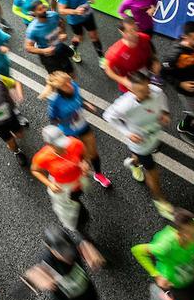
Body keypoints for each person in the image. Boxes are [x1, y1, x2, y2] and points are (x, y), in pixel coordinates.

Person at [103, 71, 172, 217]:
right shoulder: (125, 104)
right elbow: (108, 115)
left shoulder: (156, 92)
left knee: (140, 158)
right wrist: (127, 133)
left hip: (154, 134)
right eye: (141, 91)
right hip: (140, 142)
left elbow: (163, 101)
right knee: (152, 171)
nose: (147, 93)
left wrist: (165, 113)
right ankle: (159, 200)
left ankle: (133, 163)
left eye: (147, 88)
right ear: (131, 90)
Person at [43, 71, 110, 187]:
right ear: (59, 88)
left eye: (69, 81)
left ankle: (98, 174)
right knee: (77, 156)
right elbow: (53, 119)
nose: (70, 85)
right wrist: (57, 134)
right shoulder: (54, 101)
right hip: (68, 132)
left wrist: (85, 104)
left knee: (93, 152)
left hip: (83, 125)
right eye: (65, 84)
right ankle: (78, 173)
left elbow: (79, 99)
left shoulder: (74, 86)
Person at [32, 126, 98, 235]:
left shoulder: (74, 143)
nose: (64, 147)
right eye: (59, 145)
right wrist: (50, 184)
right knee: (71, 205)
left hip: (79, 181)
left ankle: (80, 210)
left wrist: (85, 163)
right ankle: (77, 224)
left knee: (77, 197)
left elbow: (85, 156)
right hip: (63, 187)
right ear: (49, 144)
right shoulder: (43, 157)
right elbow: (35, 170)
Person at [56, 0, 104, 67]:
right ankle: (73, 48)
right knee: (79, 38)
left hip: (87, 14)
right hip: (75, 19)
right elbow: (61, 10)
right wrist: (75, 11)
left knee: (94, 36)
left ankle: (101, 57)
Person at [103, 19, 155, 92]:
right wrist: (123, 81)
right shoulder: (115, 53)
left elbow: (149, 51)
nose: (136, 33)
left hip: (145, 77)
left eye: (135, 28)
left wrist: (154, 61)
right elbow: (107, 69)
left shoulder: (144, 37)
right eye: (131, 31)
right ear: (122, 32)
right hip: (131, 88)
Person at [25, 0, 75, 75]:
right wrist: (44, 51)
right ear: (34, 13)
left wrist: (62, 32)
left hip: (59, 47)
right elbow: (28, 47)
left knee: (71, 72)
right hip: (48, 56)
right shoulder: (32, 29)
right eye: (40, 9)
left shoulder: (53, 15)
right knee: (58, 78)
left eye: (43, 7)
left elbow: (61, 23)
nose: (44, 10)